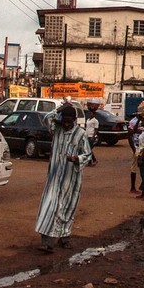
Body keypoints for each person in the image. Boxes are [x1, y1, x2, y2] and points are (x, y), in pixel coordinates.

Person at [34, 105, 93, 253]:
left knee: (66, 208)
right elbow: (47, 118)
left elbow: (87, 155)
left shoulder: (81, 134)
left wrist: (76, 158)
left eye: (69, 121)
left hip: (70, 179)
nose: (66, 124)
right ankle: (47, 242)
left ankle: (64, 237)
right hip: (53, 179)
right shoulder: (57, 130)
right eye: (64, 120)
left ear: (74, 120)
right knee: (49, 206)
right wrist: (61, 109)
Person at [127, 106, 144, 194]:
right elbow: (129, 136)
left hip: (143, 146)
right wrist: (133, 149)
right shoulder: (133, 122)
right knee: (134, 167)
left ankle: (143, 184)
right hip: (136, 146)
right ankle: (132, 187)